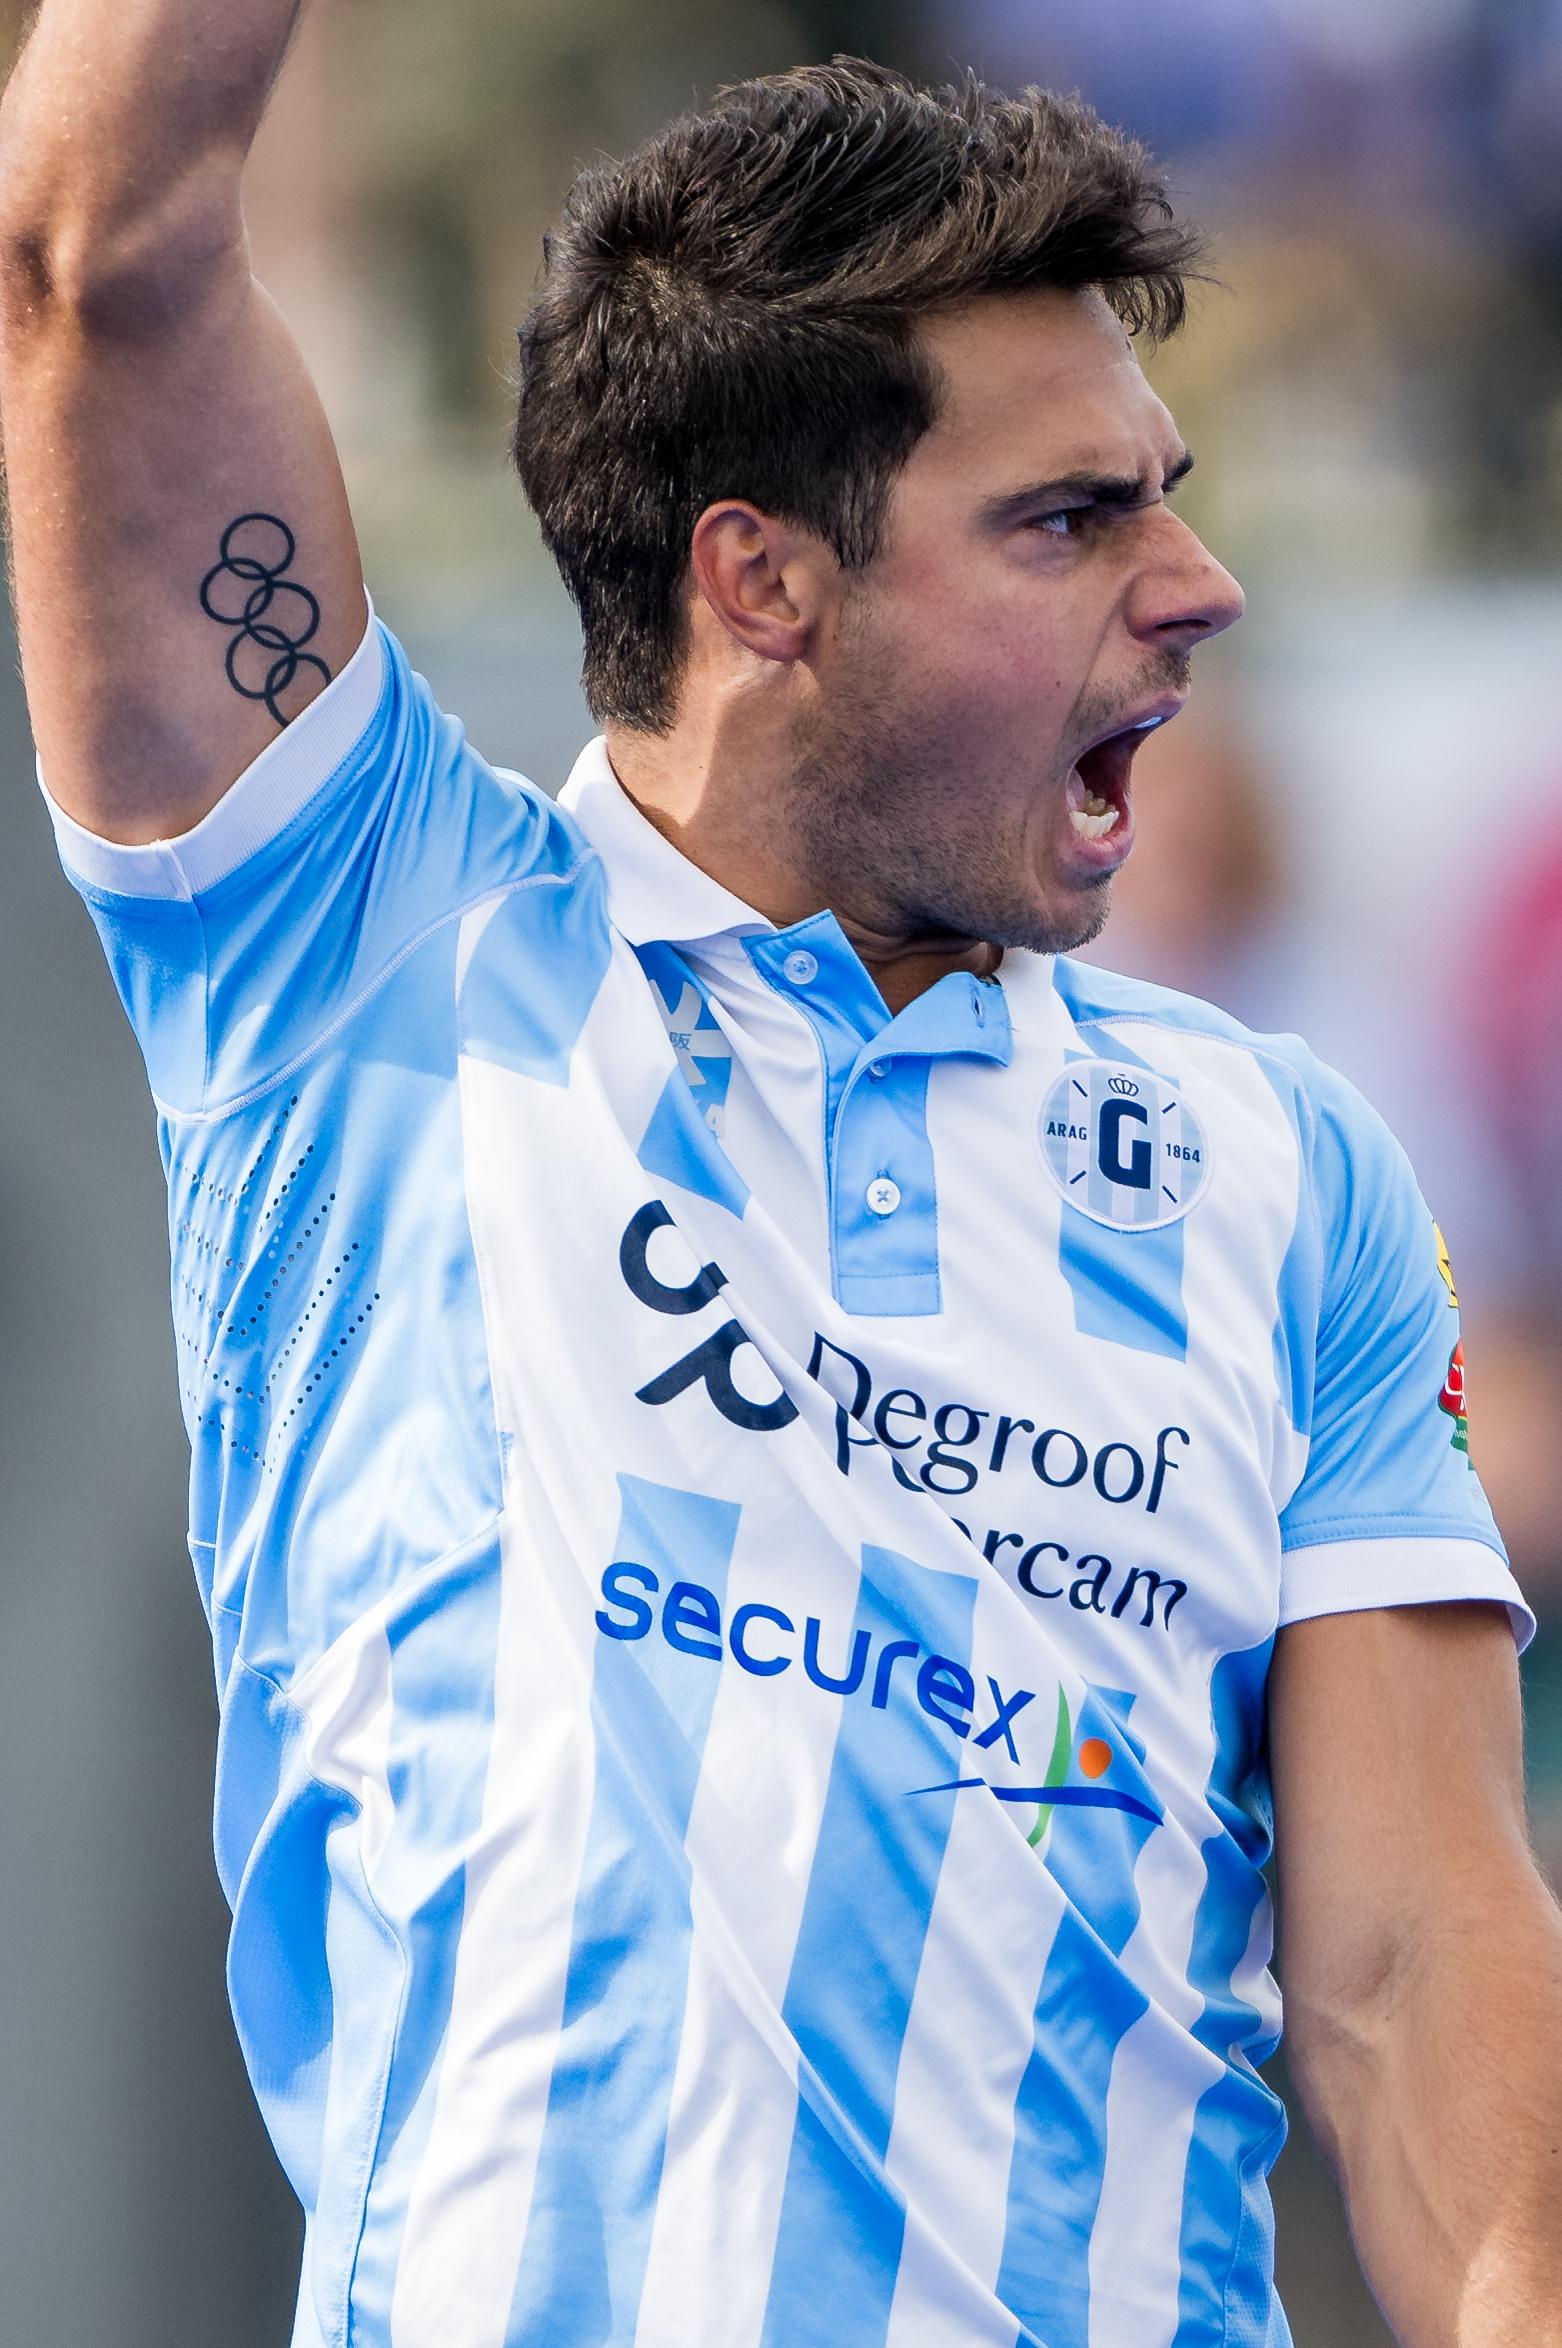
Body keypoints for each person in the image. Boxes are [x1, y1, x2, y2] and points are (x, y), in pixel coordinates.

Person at [1, 14, 1558, 2344]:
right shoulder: (363, 955)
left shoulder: (1285, 1170)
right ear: (763, 581)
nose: (1199, 579)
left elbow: (1413, 1958)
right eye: (1067, 517)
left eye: (1166, 482)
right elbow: (90, 253)